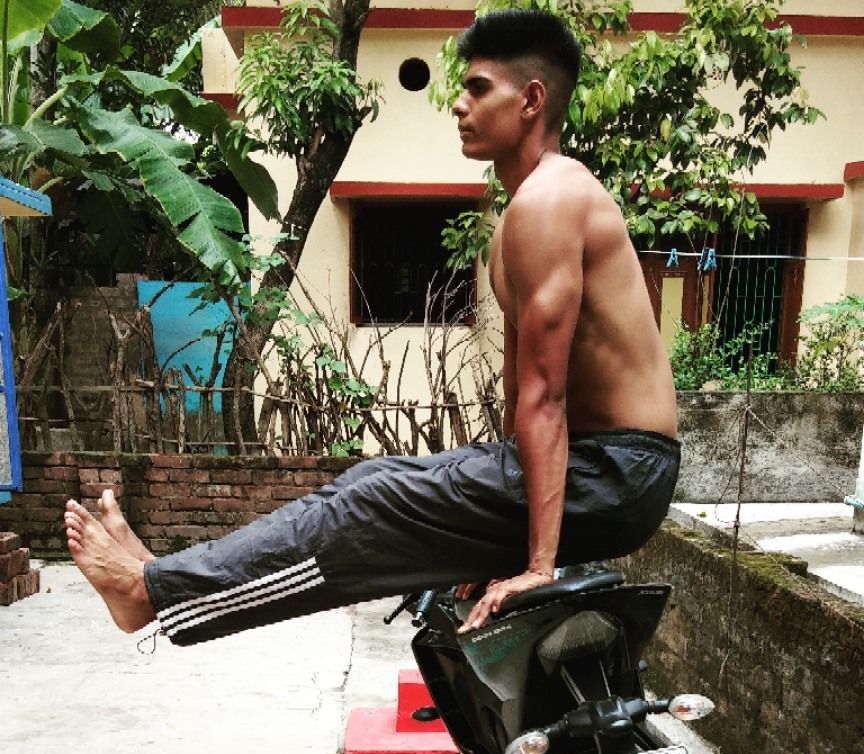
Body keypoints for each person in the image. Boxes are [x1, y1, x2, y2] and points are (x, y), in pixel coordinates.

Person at [63, 8, 679, 647]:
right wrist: (502, 538)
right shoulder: (521, 216)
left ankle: (151, 591)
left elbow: (545, 400)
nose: (459, 105)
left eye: (478, 89)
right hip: (592, 469)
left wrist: (538, 566)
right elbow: (519, 400)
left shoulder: (552, 201)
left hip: (617, 474)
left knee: (368, 503)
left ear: (531, 100)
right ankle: (160, 581)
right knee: (367, 485)